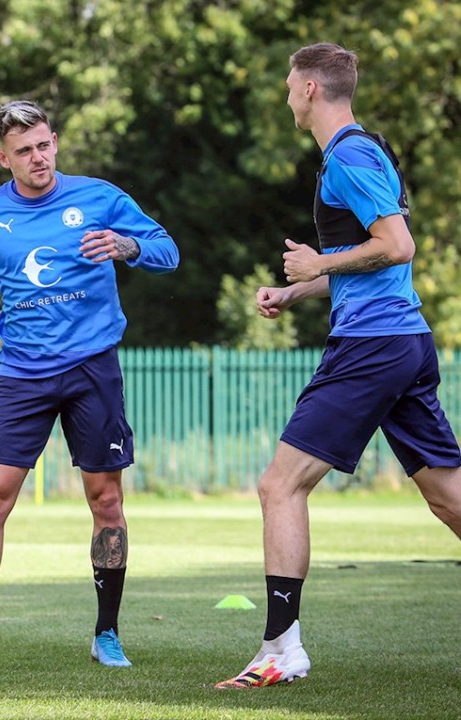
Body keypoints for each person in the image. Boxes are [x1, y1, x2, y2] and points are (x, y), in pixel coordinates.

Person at [216, 43, 461, 689]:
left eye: (288, 84)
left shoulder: (348, 157)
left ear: (310, 90)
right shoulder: (365, 150)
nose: (286, 96)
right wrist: (297, 291)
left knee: (280, 486)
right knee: (448, 498)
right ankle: (281, 647)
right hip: (402, 341)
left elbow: (397, 245)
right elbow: (374, 260)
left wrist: (318, 262)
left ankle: (281, 649)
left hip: (372, 348)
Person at [0, 100, 179, 669]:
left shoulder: (100, 198)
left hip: (92, 370)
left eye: (43, 145)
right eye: (23, 151)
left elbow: (168, 251)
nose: (37, 158)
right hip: (22, 375)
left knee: (106, 499)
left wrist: (128, 246)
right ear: (3, 158)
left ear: (55, 141)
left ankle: (106, 634)